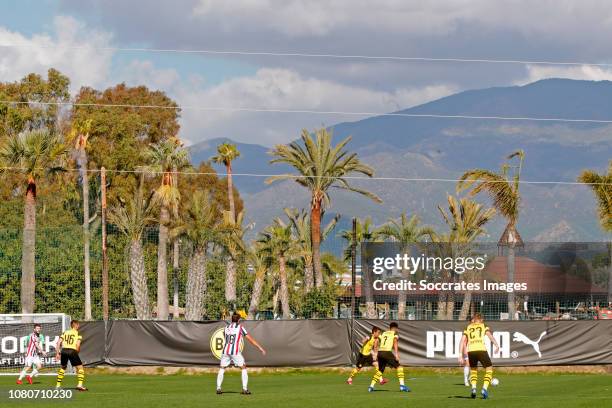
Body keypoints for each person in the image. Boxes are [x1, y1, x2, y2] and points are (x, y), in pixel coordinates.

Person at [216, 312, 266, 395]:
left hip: (225, 351)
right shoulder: (240, 328)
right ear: (239, 320)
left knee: (222, 368)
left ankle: (218, 388)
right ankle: (245, 389)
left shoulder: (226, 327)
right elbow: (250, 339)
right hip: (235, 351)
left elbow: (224, 335)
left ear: (232, 319)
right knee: (243, 367)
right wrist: (260, 348)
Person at [458, 313, 500, 399]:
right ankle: (484, 389)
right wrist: (496, 345)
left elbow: (462, 341)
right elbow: (490, 336)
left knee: (473, 370)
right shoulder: (483, 325)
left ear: (474, 319)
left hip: (471, 351)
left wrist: (459, 355)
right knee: (489, 369)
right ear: (480, 320)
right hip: (481, 350)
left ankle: (473, 388)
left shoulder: (468, 327)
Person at [368, 322, 409, 393]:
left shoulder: (384, 333)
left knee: (380, 370)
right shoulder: (395, 333)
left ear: (389, 327)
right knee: (399, 367)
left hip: (380, 352)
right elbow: (395, 342)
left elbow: (377, 339)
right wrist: (396, 354)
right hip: (387, 352)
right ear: (395, 328)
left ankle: (371, 386)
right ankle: (402, 386)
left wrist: (375, 351)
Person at [55, 320, 87, 391]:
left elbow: (58, 342)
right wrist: (77, 352)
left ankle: (58, 385)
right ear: (76, 325)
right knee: (80, 368)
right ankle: (80, 385)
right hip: (72, 350)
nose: (79, 326)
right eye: (78, 325)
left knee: (63, 367)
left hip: (64, 351)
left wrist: (57, 353)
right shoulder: (78, 333)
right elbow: (77, 345)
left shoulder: (65, 332)